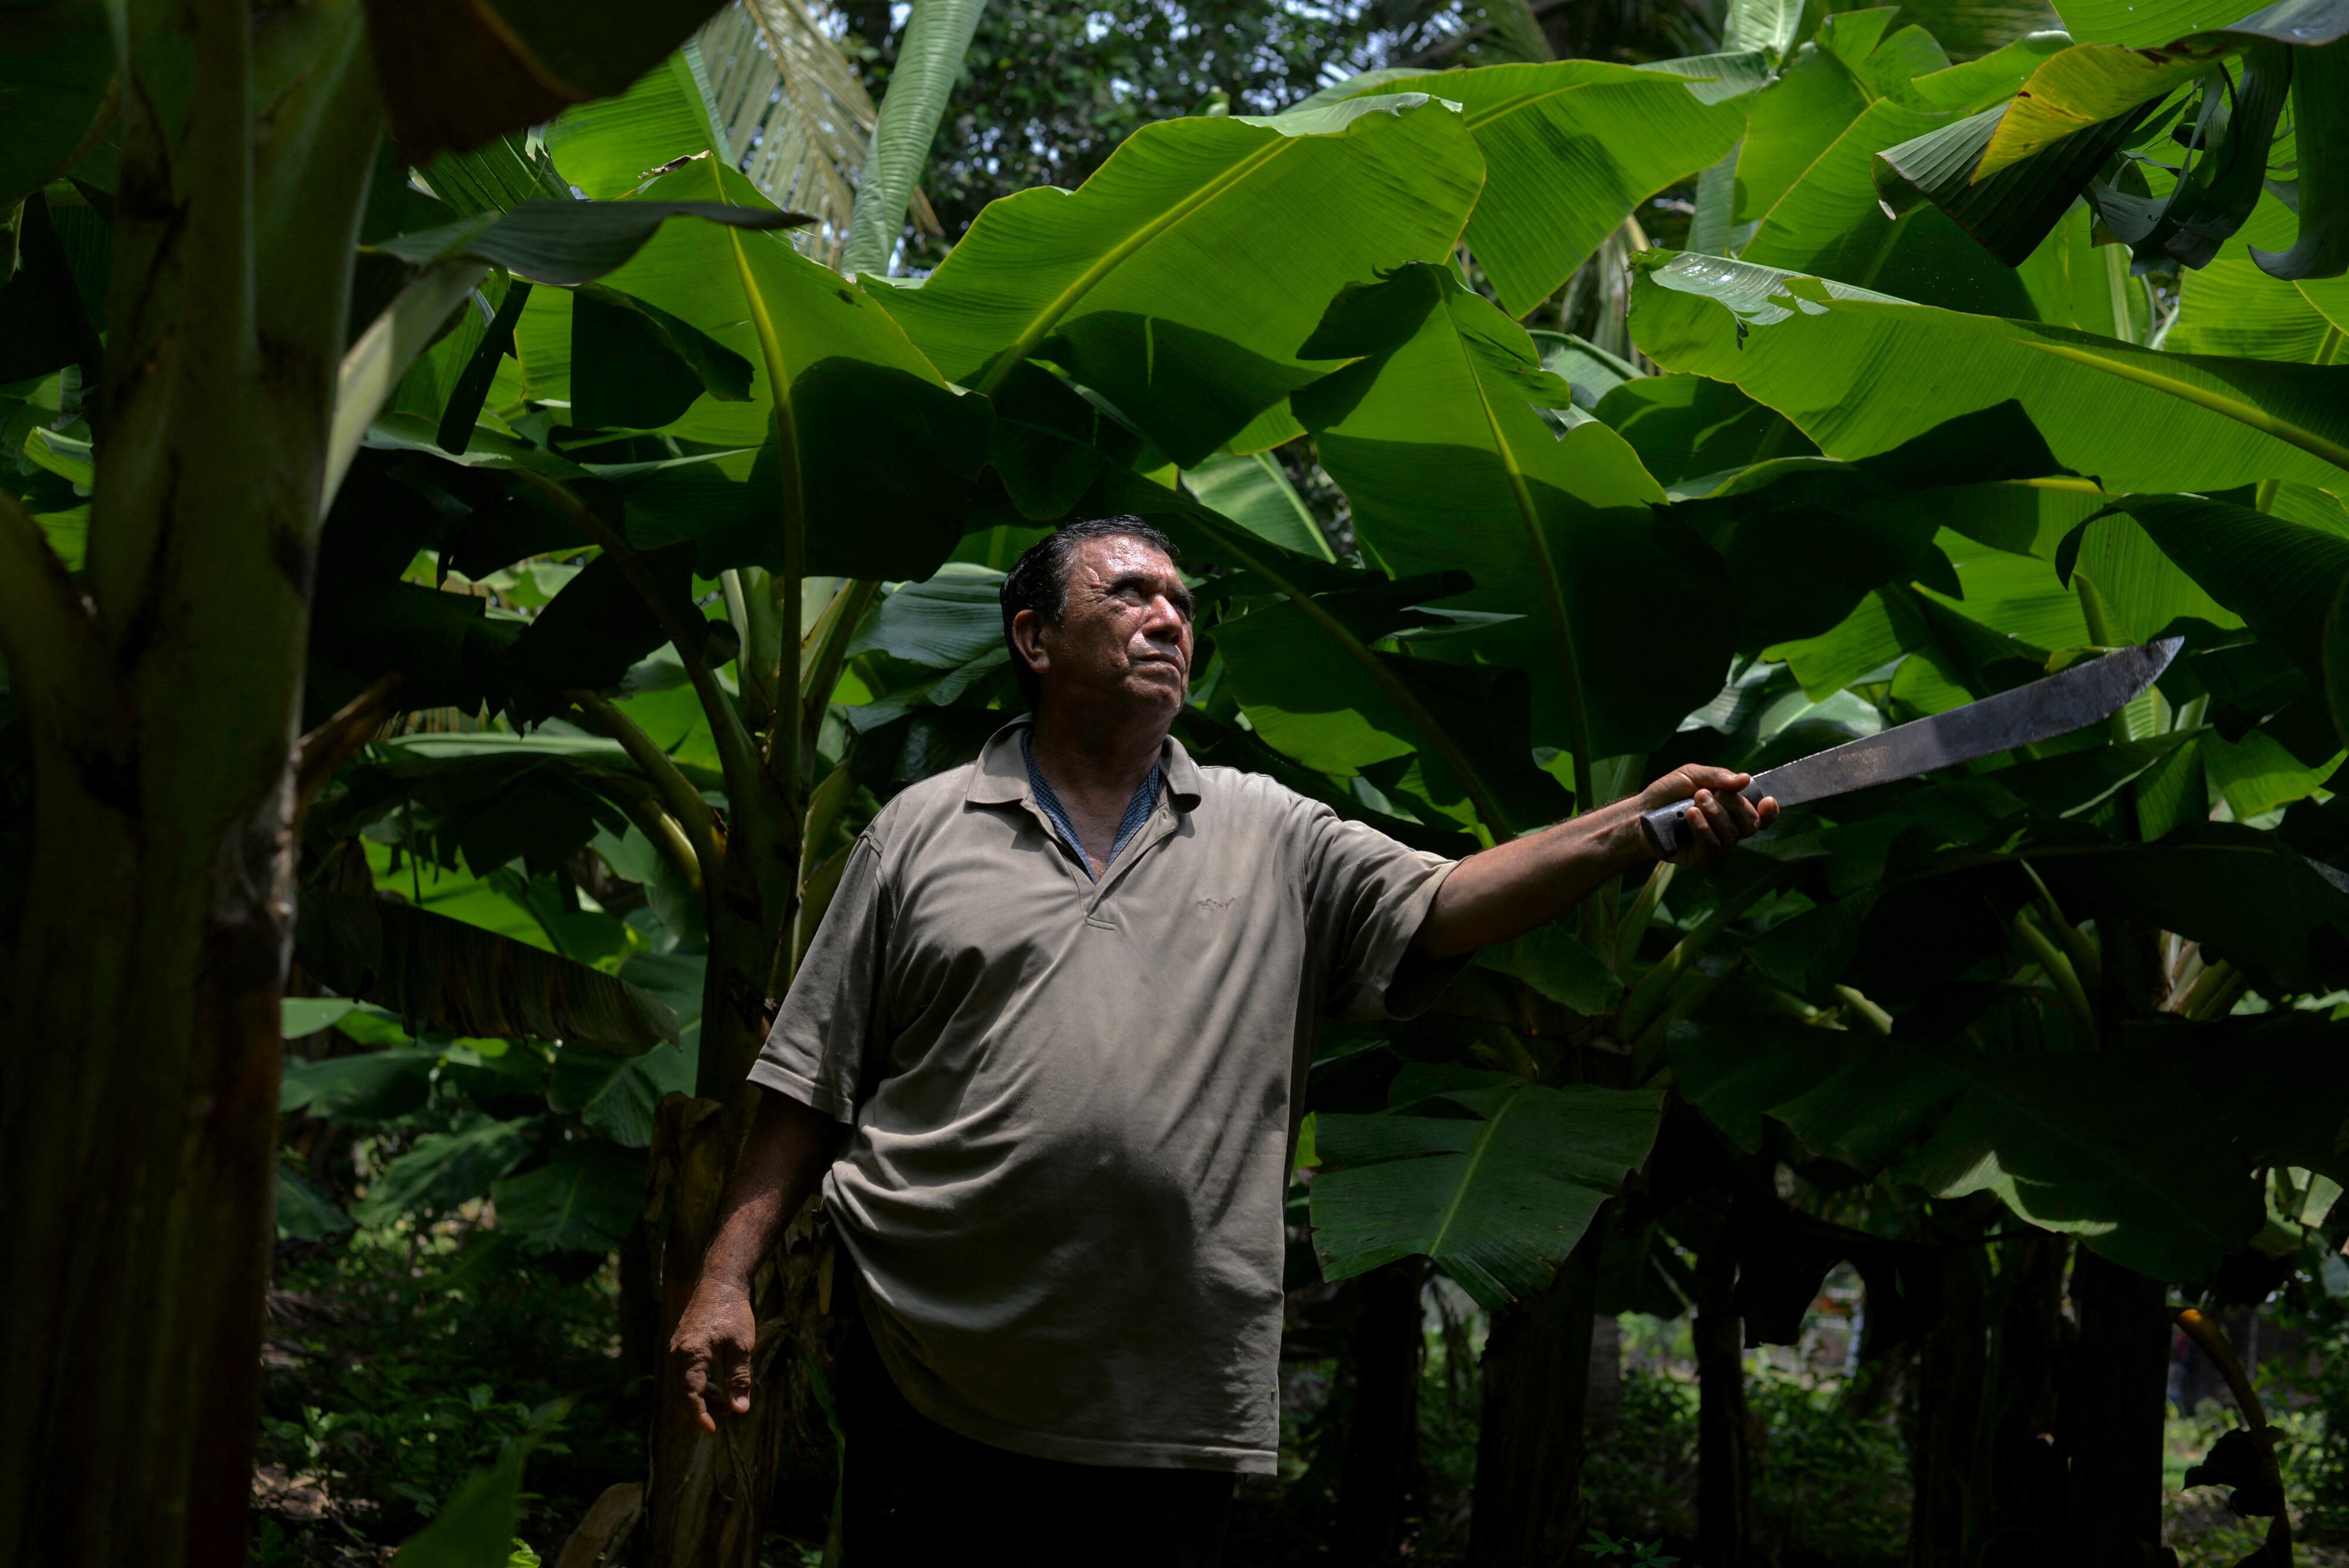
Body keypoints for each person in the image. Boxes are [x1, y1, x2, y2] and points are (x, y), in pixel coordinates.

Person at [668, 516, 1775, 1563]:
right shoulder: (921, 830)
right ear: (1033, 638)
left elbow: (1445, 901)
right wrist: (727, 1278)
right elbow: (812, 1078)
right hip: (929, 1362)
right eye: (1131, 594)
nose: (1168, 618)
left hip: (1168, 1388)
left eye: (1182, 604)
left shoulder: (1269, 829)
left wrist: (1637, 828)